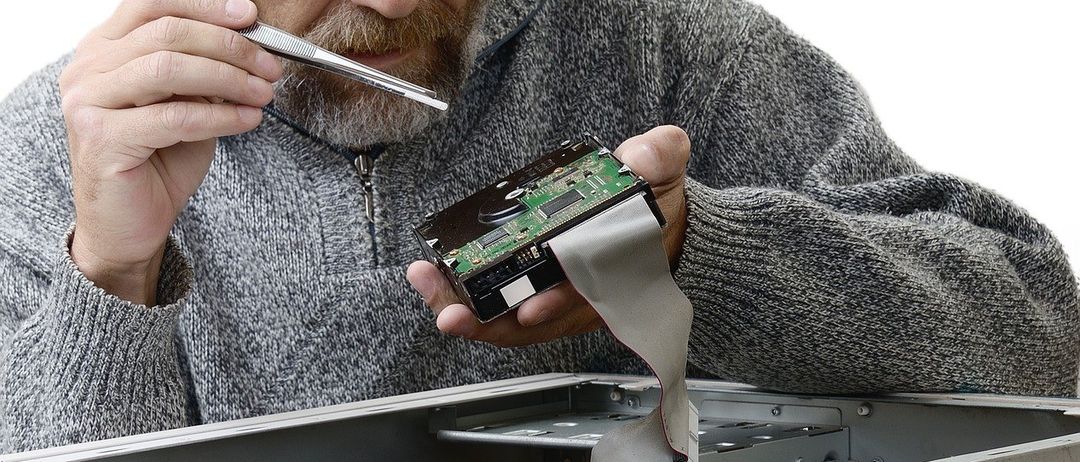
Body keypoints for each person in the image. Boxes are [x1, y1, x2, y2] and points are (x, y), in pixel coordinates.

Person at [1, 0, 1077, 454]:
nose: (392, 4)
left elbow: (1038, 329)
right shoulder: (68, 142)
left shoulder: (666, 42)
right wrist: (115, 268)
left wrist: (699, 254)